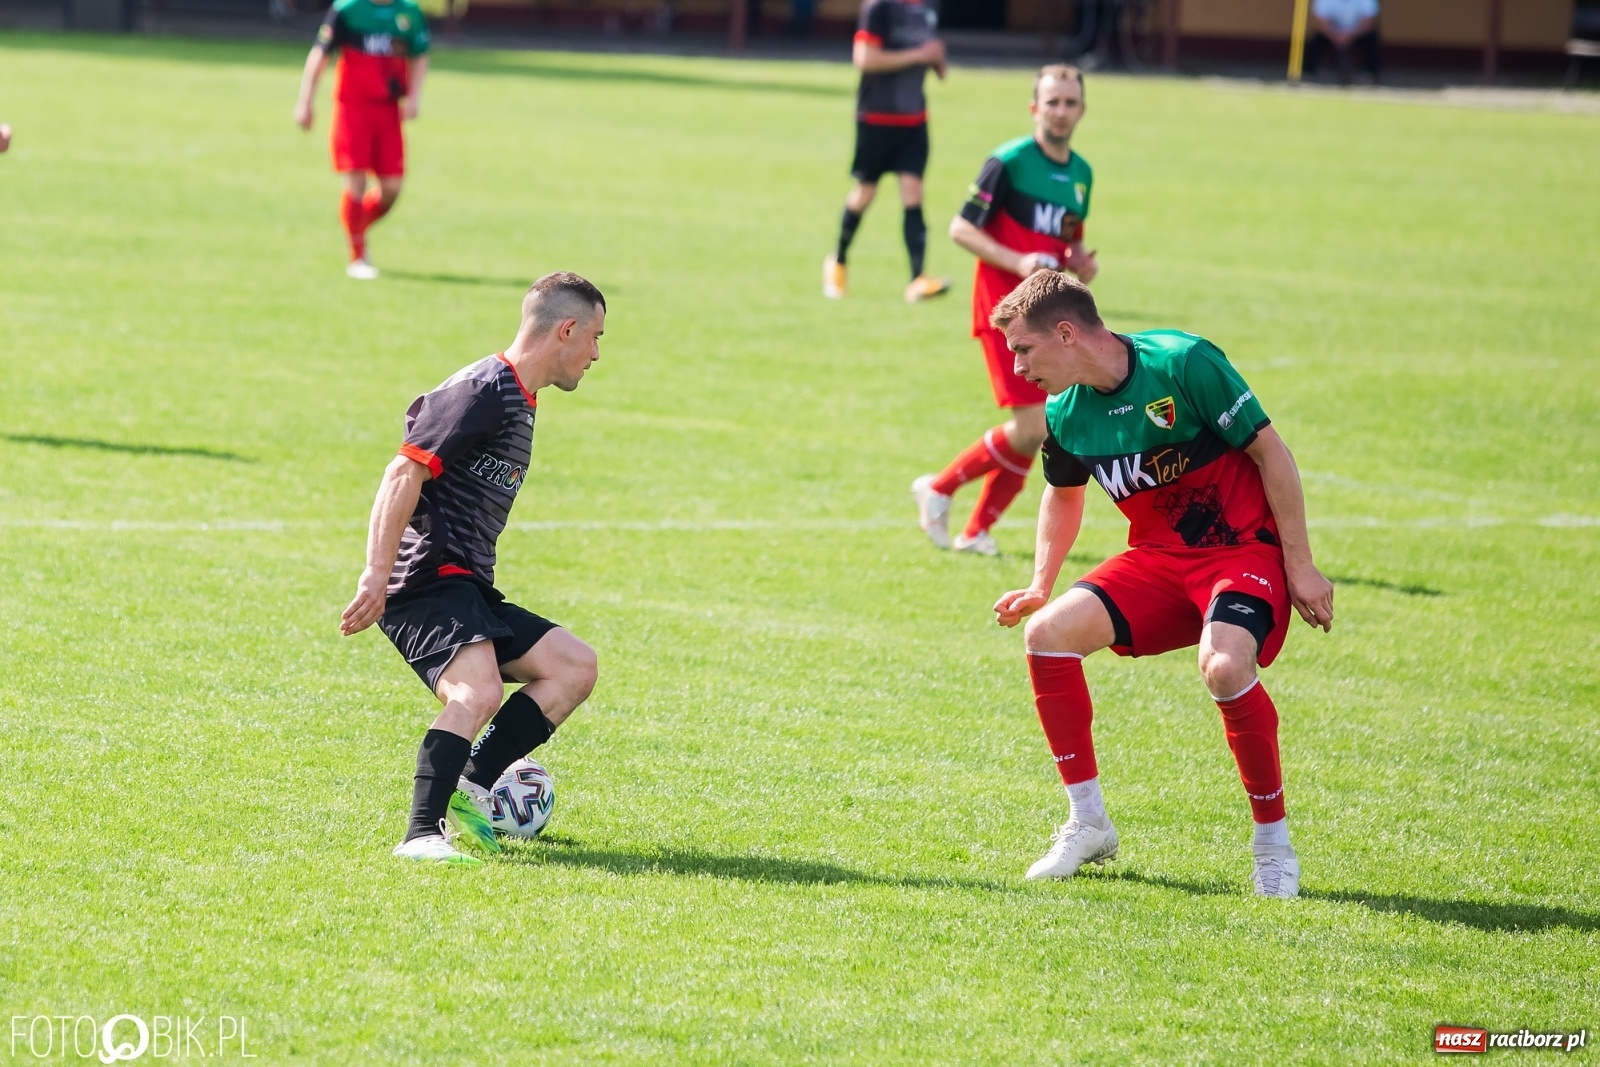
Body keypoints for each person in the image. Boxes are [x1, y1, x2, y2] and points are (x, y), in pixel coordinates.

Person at [988, 271, 1334, 898]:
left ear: (1066, 333)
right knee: (1047, 636)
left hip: (1239, 552)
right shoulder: (1065, 410)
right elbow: (1062, 495)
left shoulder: (1183, 363)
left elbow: (1270, 453)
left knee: (1225, 669)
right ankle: (1087, 823)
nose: (1016, 367)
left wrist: (1301, 563)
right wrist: (1042, 583)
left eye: (1024, 348)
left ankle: (1273, 847)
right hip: (1157, 559)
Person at [340, 272, 606, 865]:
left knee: (572, 667)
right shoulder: (485, 389)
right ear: (565, 329)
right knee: (477, 689)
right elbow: (402, 472)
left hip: (468, 587)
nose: (595, 353)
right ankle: (420, 835)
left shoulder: (521, 399)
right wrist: (375, 575)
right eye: (593, 336)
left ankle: (474, 786)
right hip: (426, 581)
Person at [912, 65, 1096, 557]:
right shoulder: (1009, 162)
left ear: (1081, 109)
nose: (1060, 111)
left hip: (1049, 318)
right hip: (1004, 312)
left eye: (1069, 103)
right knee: (1034, 426)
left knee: (1040, 429)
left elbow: (1068, 244)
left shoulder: (1081, 176)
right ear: (1034, 107)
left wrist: (1077, 264)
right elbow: (961, 229)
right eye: (1051, 102)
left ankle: (976, 531)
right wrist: (1017, 261)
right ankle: (940, 488)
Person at [293, 0, 431, 279]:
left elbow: (419, 54)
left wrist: (414, 96)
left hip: (389, 110)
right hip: (352, 107)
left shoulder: (409, 13)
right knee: (356, 180)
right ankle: (357, 256)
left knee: (392, 188)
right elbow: (321, 53)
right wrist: (305, 100)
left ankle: (354, 227)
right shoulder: (347, 10)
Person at [824, 0, 949, 304]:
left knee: (913, 193)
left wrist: (936, 60)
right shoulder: (878, 8)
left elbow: (934, 63)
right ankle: (837, 262)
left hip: (914, 119)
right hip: (877, 117)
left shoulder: (926, 9)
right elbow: (865, 58)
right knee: (865, 192)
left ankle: (917, 279)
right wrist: (920, 54)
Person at [1305, 0, 1380, 85]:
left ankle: (1368, 74)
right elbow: (1320, 21)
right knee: (1315, 39)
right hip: (1332, 33)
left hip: (1357, 33)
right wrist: (1334, 35)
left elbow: (1368, 22)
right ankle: (1308, 73)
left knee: (1371, 37)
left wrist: (1350, 36)